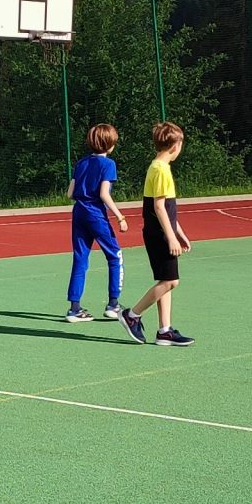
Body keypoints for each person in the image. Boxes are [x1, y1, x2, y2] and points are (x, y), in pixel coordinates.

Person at [118, 121, 192, 346]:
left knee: (166, 279)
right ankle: (132, 315)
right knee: (171, 281)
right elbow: (159, 207)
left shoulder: (160, 167)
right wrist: (171, 237)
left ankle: (164, 331)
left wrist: (179, 232)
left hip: (161, 231)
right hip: (158, 233)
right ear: (175, 146)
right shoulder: (160, 170)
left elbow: (168, 209)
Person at [65, 122, 127, 320]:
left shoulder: (81, 163)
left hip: (78, 213)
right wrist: (120, 217)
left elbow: (70, 193)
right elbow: (104, 194)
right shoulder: (108, 164)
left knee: (80, 258)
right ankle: (113, 305)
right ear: (109, 144)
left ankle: (74, 308)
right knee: (115, 256)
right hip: (95, 214)